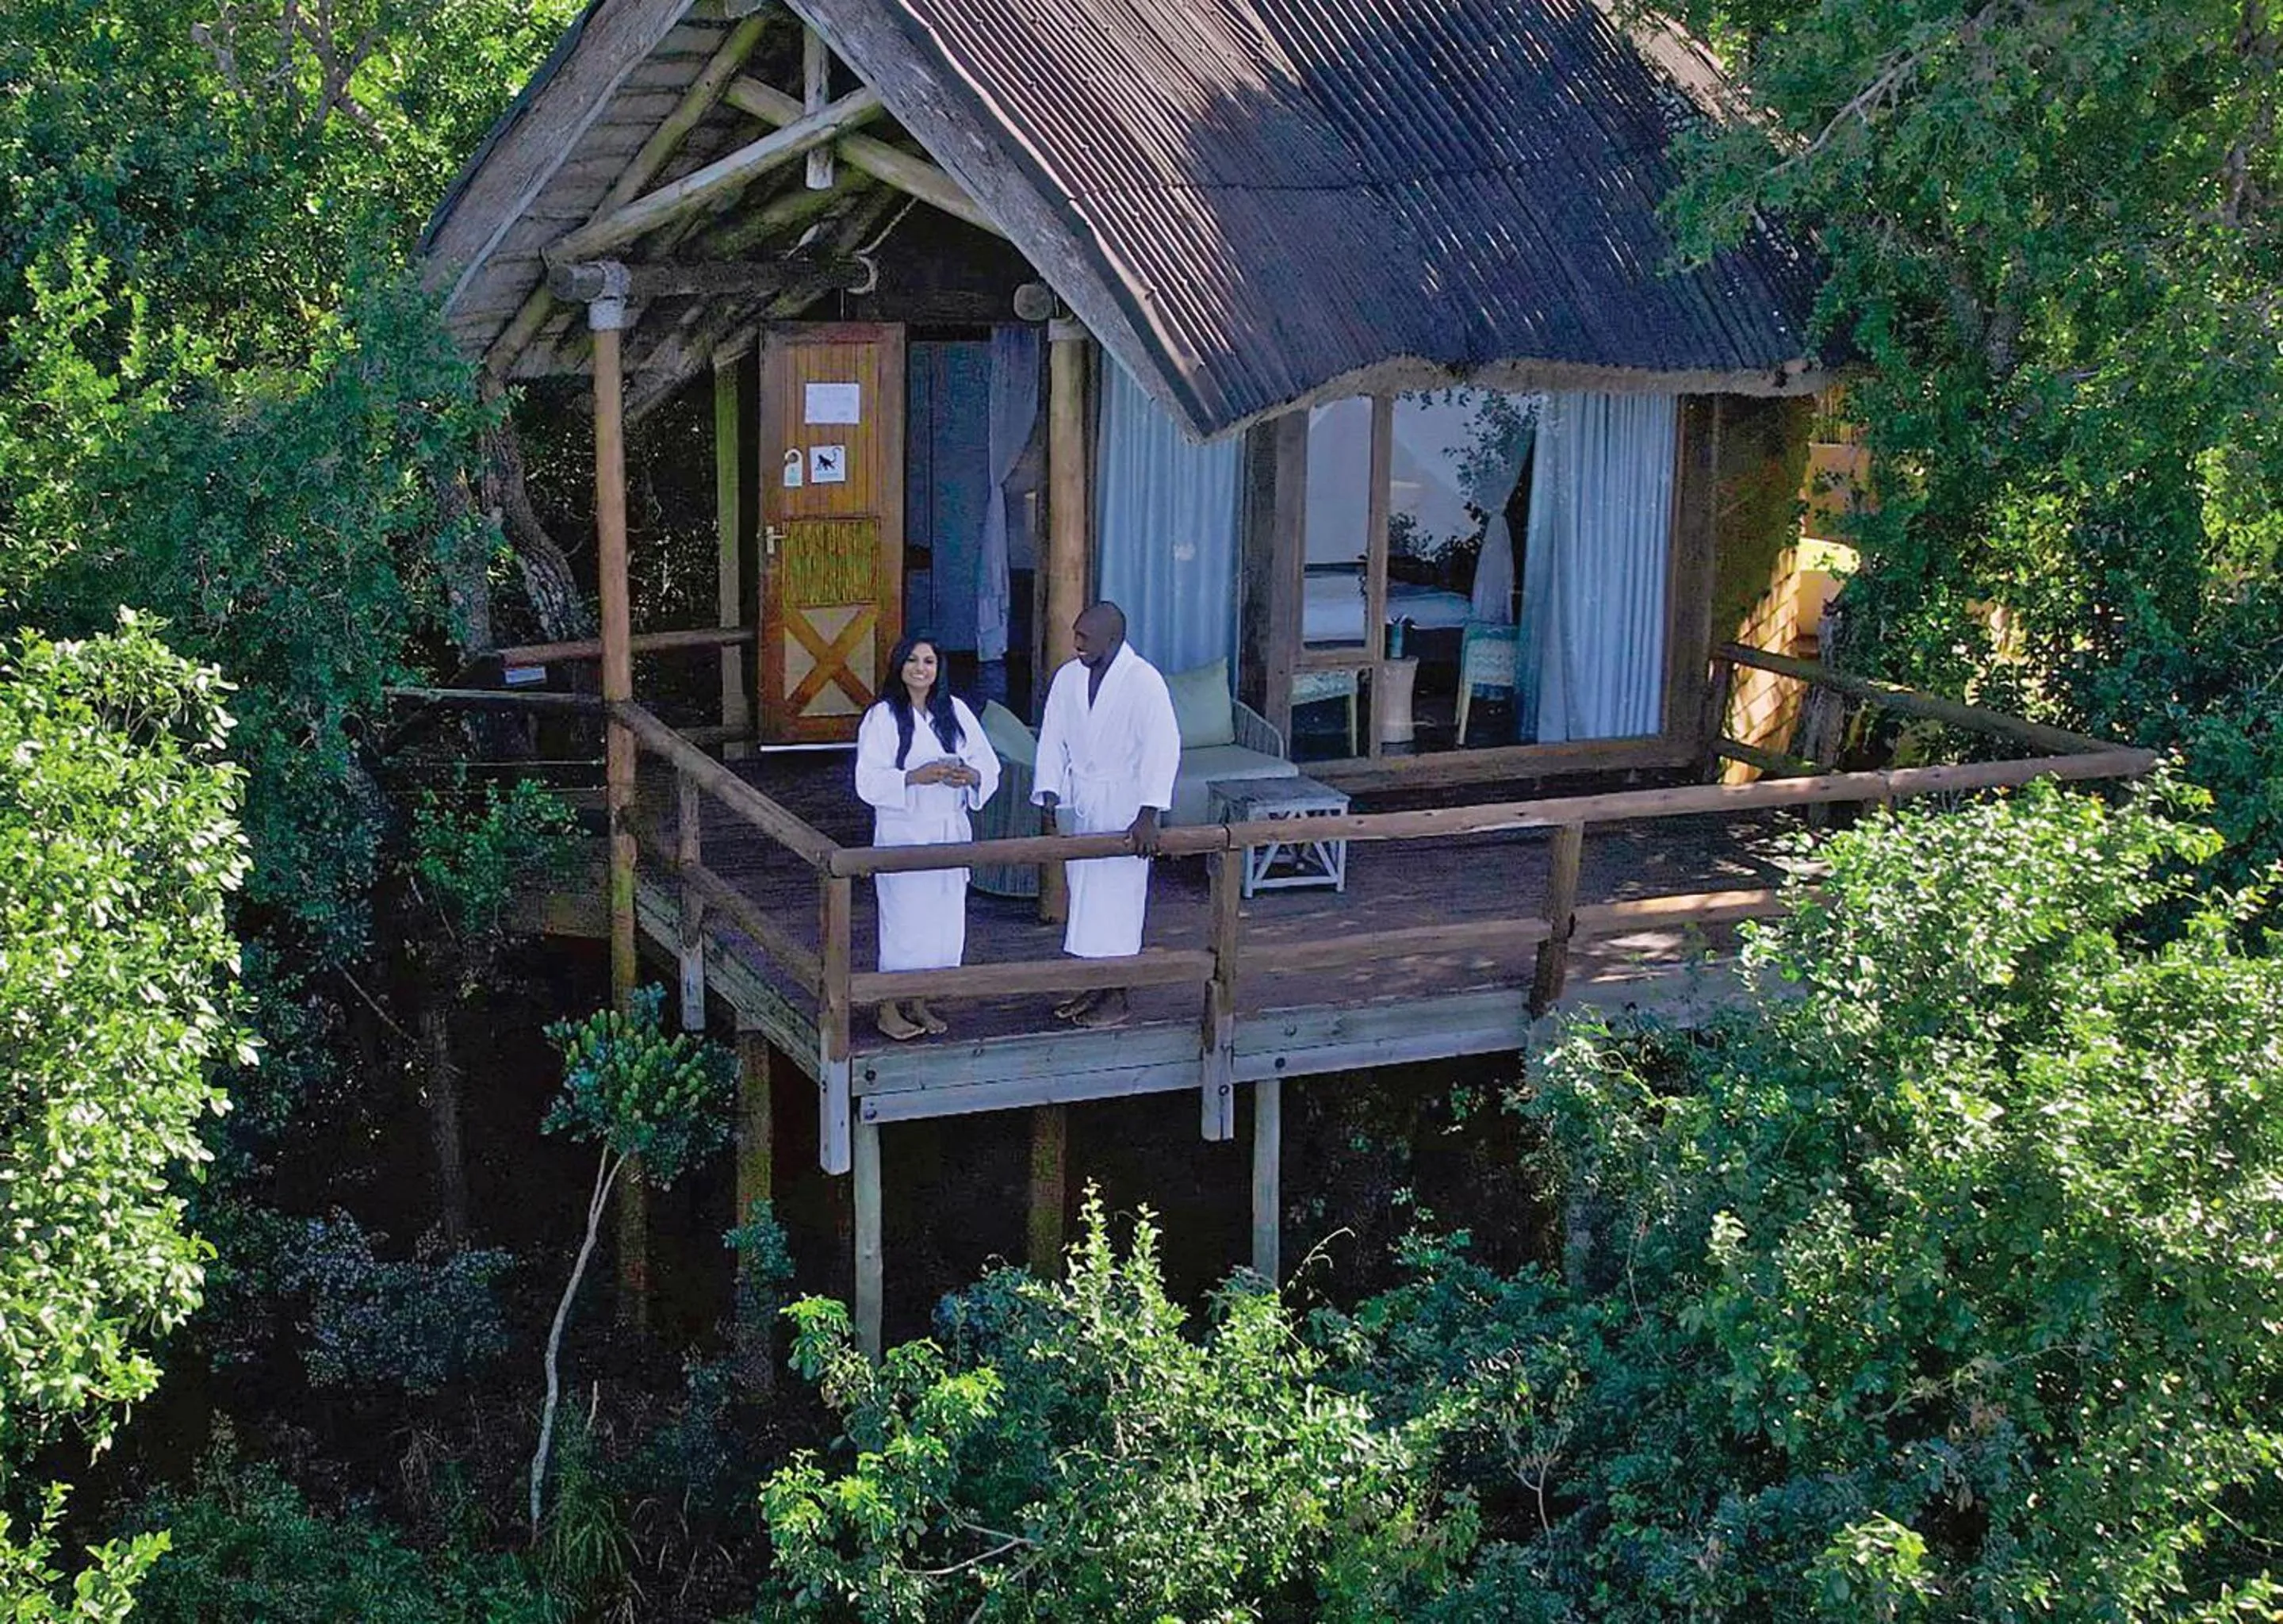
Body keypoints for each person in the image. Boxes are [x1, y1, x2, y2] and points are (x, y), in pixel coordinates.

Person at [1032, 601, 1181, 1028]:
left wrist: (1149, 813)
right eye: (1076, 635)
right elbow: (1053, 736)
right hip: (1082, 801)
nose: (1076, 644)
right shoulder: (1068, 678)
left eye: (1086, 638)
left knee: (1117, 901)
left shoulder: (1143, 681)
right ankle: (1095, 985)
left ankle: (1117, 995)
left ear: (1113, 639)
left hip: (1123, 805)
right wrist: (1050, 790)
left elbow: (1162, 747)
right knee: (1085, 899)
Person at [854, 633, 1000, 1041]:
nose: (921, 669)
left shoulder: (954, 711)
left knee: (941, 922)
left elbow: (988, 765)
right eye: (913, 661)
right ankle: (888, 1006)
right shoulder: (882, 717)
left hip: (948, 830)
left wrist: (969, 776)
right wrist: (913, 777)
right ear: (899, 666)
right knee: (904, 922)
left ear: (939, 668)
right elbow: (867, 780)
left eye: (929, 662)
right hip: (904, 833)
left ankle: (918, 1000)